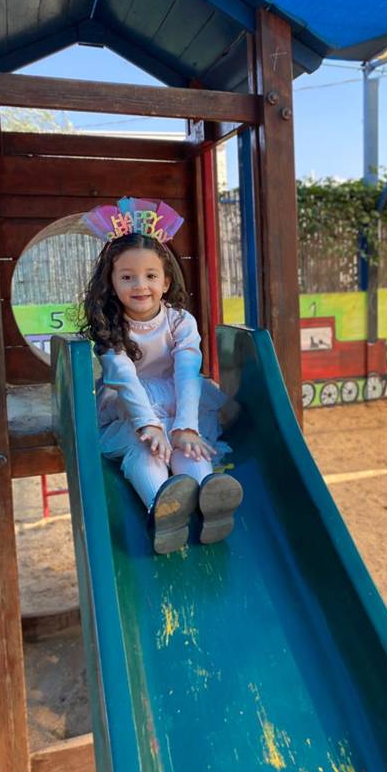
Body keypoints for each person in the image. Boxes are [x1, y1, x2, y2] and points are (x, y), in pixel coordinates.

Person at [79, 197, 243, 554]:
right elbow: (124, 378)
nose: (140, 285)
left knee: (188, 446)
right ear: (111, 282)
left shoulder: (180, 321)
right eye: (127, 277)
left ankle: (208, 497)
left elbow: (187, 372)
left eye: (150, 276)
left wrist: (186, 425)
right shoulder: (111, 327)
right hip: (129, 405)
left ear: (166, 281)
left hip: (179, 399)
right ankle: (162, 509)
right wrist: (148, 424)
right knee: (146, 448)